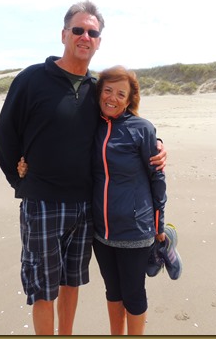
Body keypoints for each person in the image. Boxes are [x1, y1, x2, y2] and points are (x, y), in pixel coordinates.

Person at [0, 0, 167, 335]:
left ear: (99, 41)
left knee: (71, 283)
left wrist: (157, 147)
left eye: (92, 32)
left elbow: (124, 127)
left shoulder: (95, 90)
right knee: (43, 288)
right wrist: (18, 179)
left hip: (85, 207)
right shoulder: (32, 79)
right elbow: (5, 134)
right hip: (42, 203)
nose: (85, 36)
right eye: (78, 30)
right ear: (64, 34)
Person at [91, 65, 167, 335]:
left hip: (135, 229)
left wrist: (159, 226)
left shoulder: (142, 129)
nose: (112, 98)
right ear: (99, 91)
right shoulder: (91, 127)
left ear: (129, 99)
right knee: (113, 291)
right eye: (108, 90)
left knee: (133, 293)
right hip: (100, 231)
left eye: (120, 94)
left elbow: (157, 179)